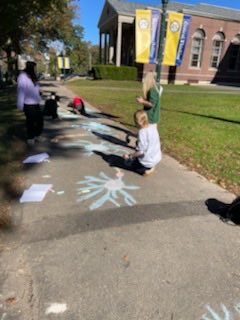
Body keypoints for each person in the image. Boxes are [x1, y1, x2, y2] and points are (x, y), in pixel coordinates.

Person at [126, 71, 163, 144]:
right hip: (154, 115)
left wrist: (142, 101)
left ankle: (140, 145)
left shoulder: (152, 89)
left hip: (150, 116)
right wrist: (144, 99)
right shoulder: (157, 87)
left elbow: (151, 104)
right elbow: (152, 101)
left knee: (147, 134)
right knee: (147, 133)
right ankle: (139, 143)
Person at [123, 110, 161, 176]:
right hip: (156, 157)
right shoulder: (152, 127)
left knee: (128, 164)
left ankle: (147, 170)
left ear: (136, 121)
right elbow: (147, 136)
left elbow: (141, 152)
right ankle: (149, 166)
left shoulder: (142, 132)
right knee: (139, 143)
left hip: (148, 161)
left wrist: (129, 156)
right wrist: (131, 134)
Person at [17, 61, 44, 146]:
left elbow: (36, 88)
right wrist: (20, 104)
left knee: (40, 120)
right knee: (30, 121)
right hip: (27, 103)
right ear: (31, 68)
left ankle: (37, 135)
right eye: (35, 68)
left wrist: (39, 93)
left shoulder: (33, 76)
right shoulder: (22, 76)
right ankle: (30, 137)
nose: (36, 69)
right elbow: (21, 91)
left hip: (35, 102)